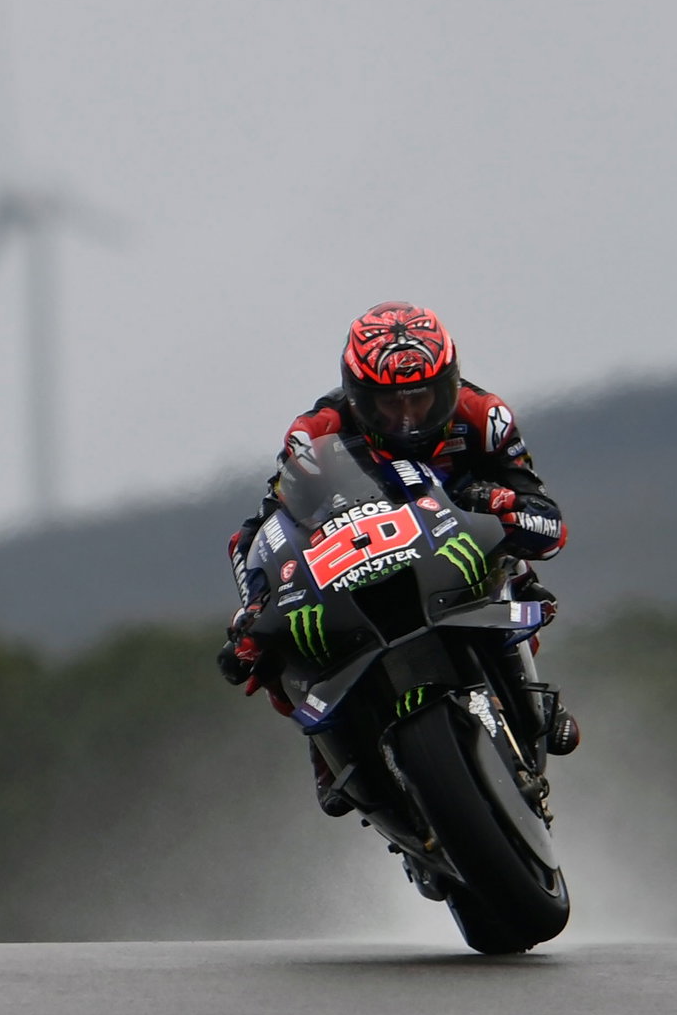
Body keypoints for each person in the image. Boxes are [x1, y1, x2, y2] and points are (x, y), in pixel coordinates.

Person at [217, 302, 579, 816]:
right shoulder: (314, 431)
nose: (408, 418)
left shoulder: (485, 416)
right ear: (358, 394)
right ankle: (329, 749)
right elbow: (265, 528)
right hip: (360, 557)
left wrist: (507, 508)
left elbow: (546, 517)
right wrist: (256, 607)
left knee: (523, 576)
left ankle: (529, 697)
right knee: (274, 641)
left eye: (423, 399)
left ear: (449, 384)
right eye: (388, 405)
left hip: (456, 549)